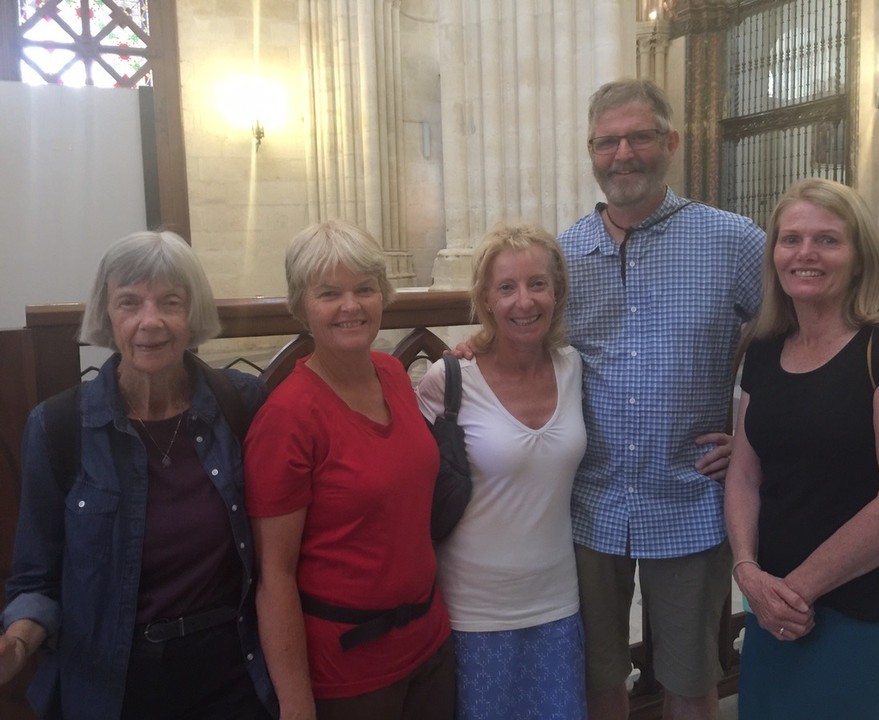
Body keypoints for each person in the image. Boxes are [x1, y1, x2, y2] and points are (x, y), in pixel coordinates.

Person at [0, 231, 276, 719]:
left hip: (233, 677)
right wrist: (18, 642)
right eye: (129, 302)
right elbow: (36, 579)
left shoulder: (242, 404)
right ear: (108, 315)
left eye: (170, 301)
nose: (150, 321)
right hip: (115, 687)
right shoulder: (59, 426)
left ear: (192, 316)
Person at [559, 78, 765, 720]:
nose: (623, 154)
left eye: (639, 137)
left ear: (670, 143)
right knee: (597, 676)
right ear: (590, 152)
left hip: (691, 496)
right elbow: (522, 343)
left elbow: (794, 346)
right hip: (590, 500)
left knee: (690, 676)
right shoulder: (563, 255)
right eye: (607, 142)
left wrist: (753, 440)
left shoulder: (733, 240)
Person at [724, 178, 879, 719]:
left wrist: (795, 591)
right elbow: (744, 471)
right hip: (771, 600)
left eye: (827, 240)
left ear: (859, 256)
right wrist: (747, 571)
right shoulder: (765, 342)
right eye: (790, 239)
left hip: (865, 607)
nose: (805, 254)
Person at [243, 219, 454, 720]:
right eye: (329, 294)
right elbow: (274, 577)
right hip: (349, 671)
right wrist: (296, 704)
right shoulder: (288, 417)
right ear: (301, 305)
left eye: (365, 289)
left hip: (430, 643)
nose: (351, 306)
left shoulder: (393, 374)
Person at [417, 222, 588, 719]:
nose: (524, 302)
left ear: (557, 292)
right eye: (506, 288)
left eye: (537, 284)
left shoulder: (573, 367)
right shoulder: (448, 380)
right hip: (474, 610)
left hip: (558, 603)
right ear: (485, 299)